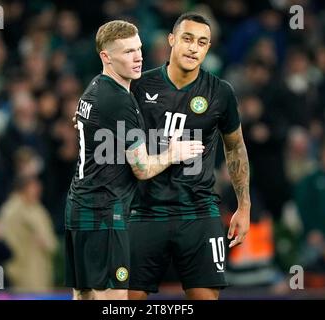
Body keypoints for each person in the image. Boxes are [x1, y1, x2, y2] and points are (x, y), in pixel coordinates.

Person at [65, 20, 204, 300]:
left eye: (138, 49)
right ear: (106, 57)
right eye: (128, 52)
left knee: (84, 297)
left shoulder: (94, 88)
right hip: (105, 212)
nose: (139, 57)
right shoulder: (118, 101)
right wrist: (175, 153)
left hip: (79, 210)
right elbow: (142, 169)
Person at [128, 13, 251, 300]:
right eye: (187, 39)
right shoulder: (138, 87)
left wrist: (243, 206)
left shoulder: (220, 92)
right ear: (171, 40)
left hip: (199, 213)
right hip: (145, 212)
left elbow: (235, 148)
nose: (194, 47)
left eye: (202, 42)